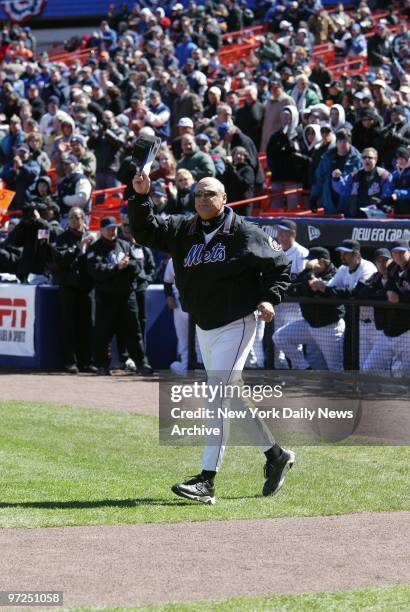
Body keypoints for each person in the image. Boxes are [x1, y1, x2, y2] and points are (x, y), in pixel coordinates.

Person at [129, 171, 292, 505]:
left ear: (224, 199)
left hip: (238, 322)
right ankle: (276, 455)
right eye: (199, 194)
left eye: (210, 194)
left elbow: (279, 265)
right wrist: (141, 197)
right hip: (205, 325)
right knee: (231, 398)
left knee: (215, 397)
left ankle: (207, 481)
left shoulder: (244, 232)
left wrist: (269, 298)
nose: (203, 199)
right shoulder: (182, 229)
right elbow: (144, 231)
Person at [87, 216, 153, 376]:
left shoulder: (126, 245)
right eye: (108, 228)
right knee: (103, 333)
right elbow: (96, 271)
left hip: (126, 297)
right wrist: (117, 268)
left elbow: (138, 267)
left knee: (134, 331)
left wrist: (123, 267)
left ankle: (141, 364)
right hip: (106, 298)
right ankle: (102, 365)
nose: (112, 231)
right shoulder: (94, 249)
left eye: (114, 228)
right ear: (101, 230)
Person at [274, 247, 345, 371]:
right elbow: (291, 288)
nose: (308, 263)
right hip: (309, 325)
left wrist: (308, 273)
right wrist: (308, 271)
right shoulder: (311, 273)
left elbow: (308, 289)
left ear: (322, 262)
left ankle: (341, 389)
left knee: (335, 368)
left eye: (311, 261)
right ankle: (305, 368)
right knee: (280, 337)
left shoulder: (335, 275)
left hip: (329, 328)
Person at [309, 239, 377, 370]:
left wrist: (325, 288)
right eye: (341, 253)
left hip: (374, 324)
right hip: (358, 323)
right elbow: (331, 287)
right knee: (359, 364)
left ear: (356, 254)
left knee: (375, 365)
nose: (341, 257)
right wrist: (318, 284)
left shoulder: (367, 268)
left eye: (345, 253)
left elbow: (355, 293)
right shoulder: (343, 269)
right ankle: (360, 389)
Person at [52, 207, 96, 374]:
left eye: (78, 217)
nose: (75, 220)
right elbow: (61, 259)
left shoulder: (92, 236)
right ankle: (71, 362)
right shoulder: (62, 238)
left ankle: (88, 361)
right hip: (69, 287)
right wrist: (79, 247)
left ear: (84, 218)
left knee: (89, 325)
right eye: (71, 217)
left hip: (88, 287)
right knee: (69, 325)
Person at [363, 240, 410, 375]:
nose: (398, 256)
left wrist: (400, 298)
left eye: (402, 252)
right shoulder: (393, 268)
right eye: (395, 253)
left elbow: (396, 295)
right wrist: (389, 291)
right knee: (369, 369)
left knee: (406, 376)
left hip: (407, 332)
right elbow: (389, 289)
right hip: (389, 330)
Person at [309, 129, 362, 215]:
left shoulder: (358, 160)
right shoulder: (327, 158)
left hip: (349, 206)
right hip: (330, 204)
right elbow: (319, 179)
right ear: (336, 142)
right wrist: (314, 196)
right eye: (340, 141)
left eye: (345, 141)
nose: (342, 144)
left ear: (350, 142)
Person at [331, 147, 392, 217]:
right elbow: (343, 189)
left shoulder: (384, 175)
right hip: (356, 217)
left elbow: (387, 196)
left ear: (376, 159)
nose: (367, 160)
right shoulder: (354, 175)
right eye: (364, 157)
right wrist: (336, 179)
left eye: (370, 157)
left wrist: (380, 204)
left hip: (375, 218)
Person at [164, 257, 189, 374]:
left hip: (201, 306)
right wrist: (169, 296)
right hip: (180, 305)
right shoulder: (173, 259)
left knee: (202, 341)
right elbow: (167, 281)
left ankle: (202, 367)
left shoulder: (206, 255)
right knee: (183, 340)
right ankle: (186, 366)